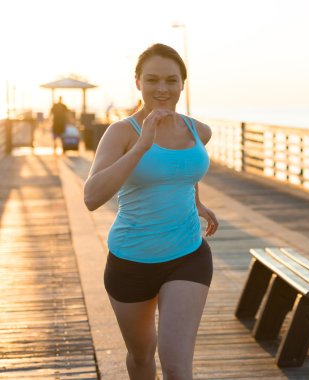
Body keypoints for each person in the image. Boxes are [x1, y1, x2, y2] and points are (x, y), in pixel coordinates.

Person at [83, 43, 219, 380]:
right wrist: (142, 146)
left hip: (188, 255)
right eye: (152, 80)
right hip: (131, 261)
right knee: (142, 357)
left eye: (171, 80)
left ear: (182, 84)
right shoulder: (121, 133)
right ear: (138, 83)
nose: (162, 88)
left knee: (176, 366)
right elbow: (91, 196)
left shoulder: (198, 130)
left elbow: (183, 171)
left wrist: (196, 201)